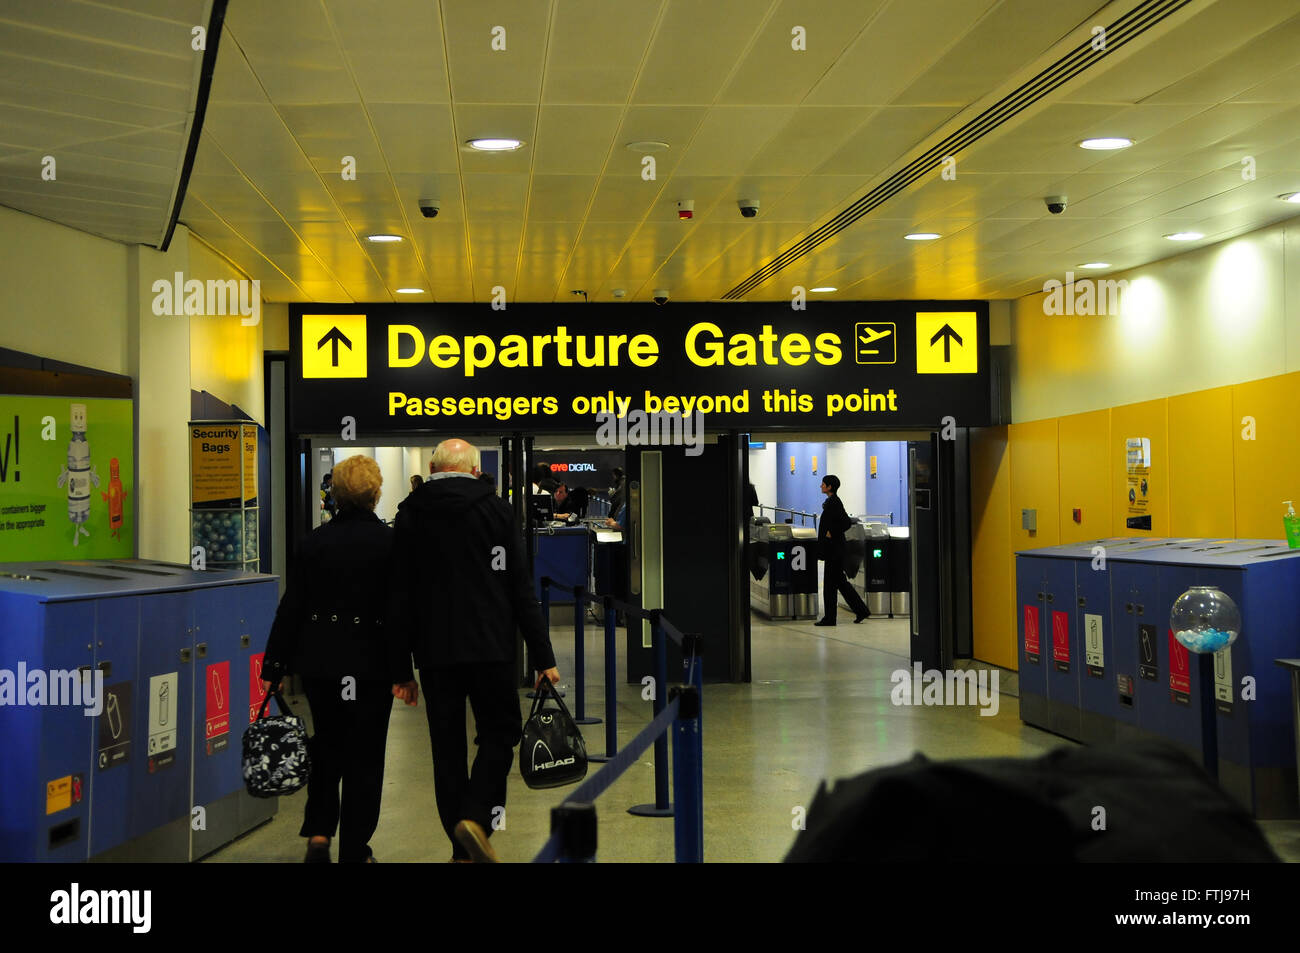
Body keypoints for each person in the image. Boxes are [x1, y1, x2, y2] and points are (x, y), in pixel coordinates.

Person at [391, 439, 560, 863]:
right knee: (500, 734)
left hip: (434, 653)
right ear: (475, 469)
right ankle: (475, 820)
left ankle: (460, 851)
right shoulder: (497, 511)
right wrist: (544, 657)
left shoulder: (410, 514)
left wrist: (400, 669)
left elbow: (400, 597)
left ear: (431, 467)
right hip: (491, 648)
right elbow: (520, 588)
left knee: (445, 748)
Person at [261, 455, 416, 863]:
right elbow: (398, 614)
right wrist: (405, 672)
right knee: (366, 757)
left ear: (335, 494)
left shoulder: (314, 542)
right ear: (376, 494)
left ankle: (318, 834)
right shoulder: (391, 543)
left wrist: (274, 665)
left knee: (327, 746)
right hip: (371, 666)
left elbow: (292, 606)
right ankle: (355, 848)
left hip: (320, 665)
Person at [814, 474, 870, 627]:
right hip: (834, 550)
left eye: (823, 484)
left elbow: (845, 522)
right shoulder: (832, 501)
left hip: (834, 550)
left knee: (831, 585)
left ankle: (830, 618)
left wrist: (831, 532)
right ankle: (861, 610)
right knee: (840, 583)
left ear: (829, 487)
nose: (821, 486)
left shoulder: (834, 502)